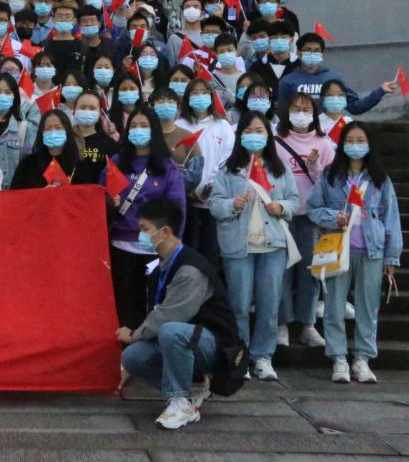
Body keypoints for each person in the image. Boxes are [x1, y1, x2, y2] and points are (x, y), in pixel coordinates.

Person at [118, 198, 240, 430]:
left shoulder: (189, 269)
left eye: (145, 229)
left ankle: (181, 401)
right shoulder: (163, 265)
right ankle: (183, 394)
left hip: (216, 346)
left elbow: (169, 316)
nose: (140, 235)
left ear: (165, 232)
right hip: (188, 339)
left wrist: (134, 335)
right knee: (132, 357)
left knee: (171, 331)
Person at [307, 121, 402, 383]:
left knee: (368, 307)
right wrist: (333, 217)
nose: (355, 146)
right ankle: (338, 358)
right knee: (335, 306)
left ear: (369, 144)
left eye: (361, 141)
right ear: (342, 145)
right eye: (350, 141)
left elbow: (391, 217)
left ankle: (362, 359)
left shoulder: (380, 179)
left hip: (372, 251)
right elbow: (313, 208)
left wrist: (392, 256)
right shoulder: (330, 176)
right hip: (339, 249)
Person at [209, 111, 300, 381]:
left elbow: (295, 201)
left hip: (273, 246)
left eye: (259, 131)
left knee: (269, 304)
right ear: (240, 136)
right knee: (238, 303)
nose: (254, 136)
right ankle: (241, 356)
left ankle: (263, 356)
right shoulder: (229, 170)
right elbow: (215, 205)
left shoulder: (279, 169)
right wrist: (232, 204)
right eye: (248, 131)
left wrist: (281, 206)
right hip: (238, 246)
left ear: (268, 135)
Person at [101, 106, 186, 329]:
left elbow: (177, 210)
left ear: (154, 130)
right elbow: (99, 201)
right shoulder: (116, 162)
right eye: (134, 126)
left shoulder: (166, 167)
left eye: (144, 125)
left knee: (154, 306)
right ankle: (127, 349)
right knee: (125, 307)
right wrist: (109, 203)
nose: (138, 130)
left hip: (155, 249)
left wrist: (174, 249)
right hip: (121, 249)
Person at [274, 93, 336, 348]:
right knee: (282, 271)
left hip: (311, 217)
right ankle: (282, 323)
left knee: (311, 270)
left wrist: (315, 168)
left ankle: (308, 324)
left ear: (314, 113)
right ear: (287, 111)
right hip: (281, 215)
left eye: (306, 109)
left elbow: (332, 184)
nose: (301, 113)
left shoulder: (324, 144)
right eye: (296, 108)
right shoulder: (276, 141)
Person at [177, 78, 234, 266]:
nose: (200, 97)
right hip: (186, 198)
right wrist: (190, 187)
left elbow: (228, 158)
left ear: (211, 97)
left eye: (204, 92)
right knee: (188, 250)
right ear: (187, 98)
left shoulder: (222, 125)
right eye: (195, 93)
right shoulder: (180, 125)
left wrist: (212, 184)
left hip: (214, 199)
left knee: (211, 252)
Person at [276, 32, 396, 112]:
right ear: (298, 53)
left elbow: (355, 107)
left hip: (329, 136)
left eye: (316, 50)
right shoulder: (287, 81)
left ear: (322, 53)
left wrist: (380, 91)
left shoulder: (333, 79)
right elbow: (282, 113)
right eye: (307, 50)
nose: (312, 53)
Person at [11, 108, 94, 188]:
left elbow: (87, 195)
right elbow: (16, 195)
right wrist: (42, 194)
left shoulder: (78, 165)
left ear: (67, 131)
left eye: (58, 128)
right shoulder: (27, 164)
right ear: (41, 133)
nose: (53, 132)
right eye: (48, 128)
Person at [0, 73, 35, 189]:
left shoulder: (24, 127)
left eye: (8, 93)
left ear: (15, 97)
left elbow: (29, 165)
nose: (2, 96)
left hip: (14, 191)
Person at [73, 90, 120, 179]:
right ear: (74, 110)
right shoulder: (65, 139)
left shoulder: (109, 144)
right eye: (82, 107)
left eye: (92, 108)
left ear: (100, 113)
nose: (87, 111)